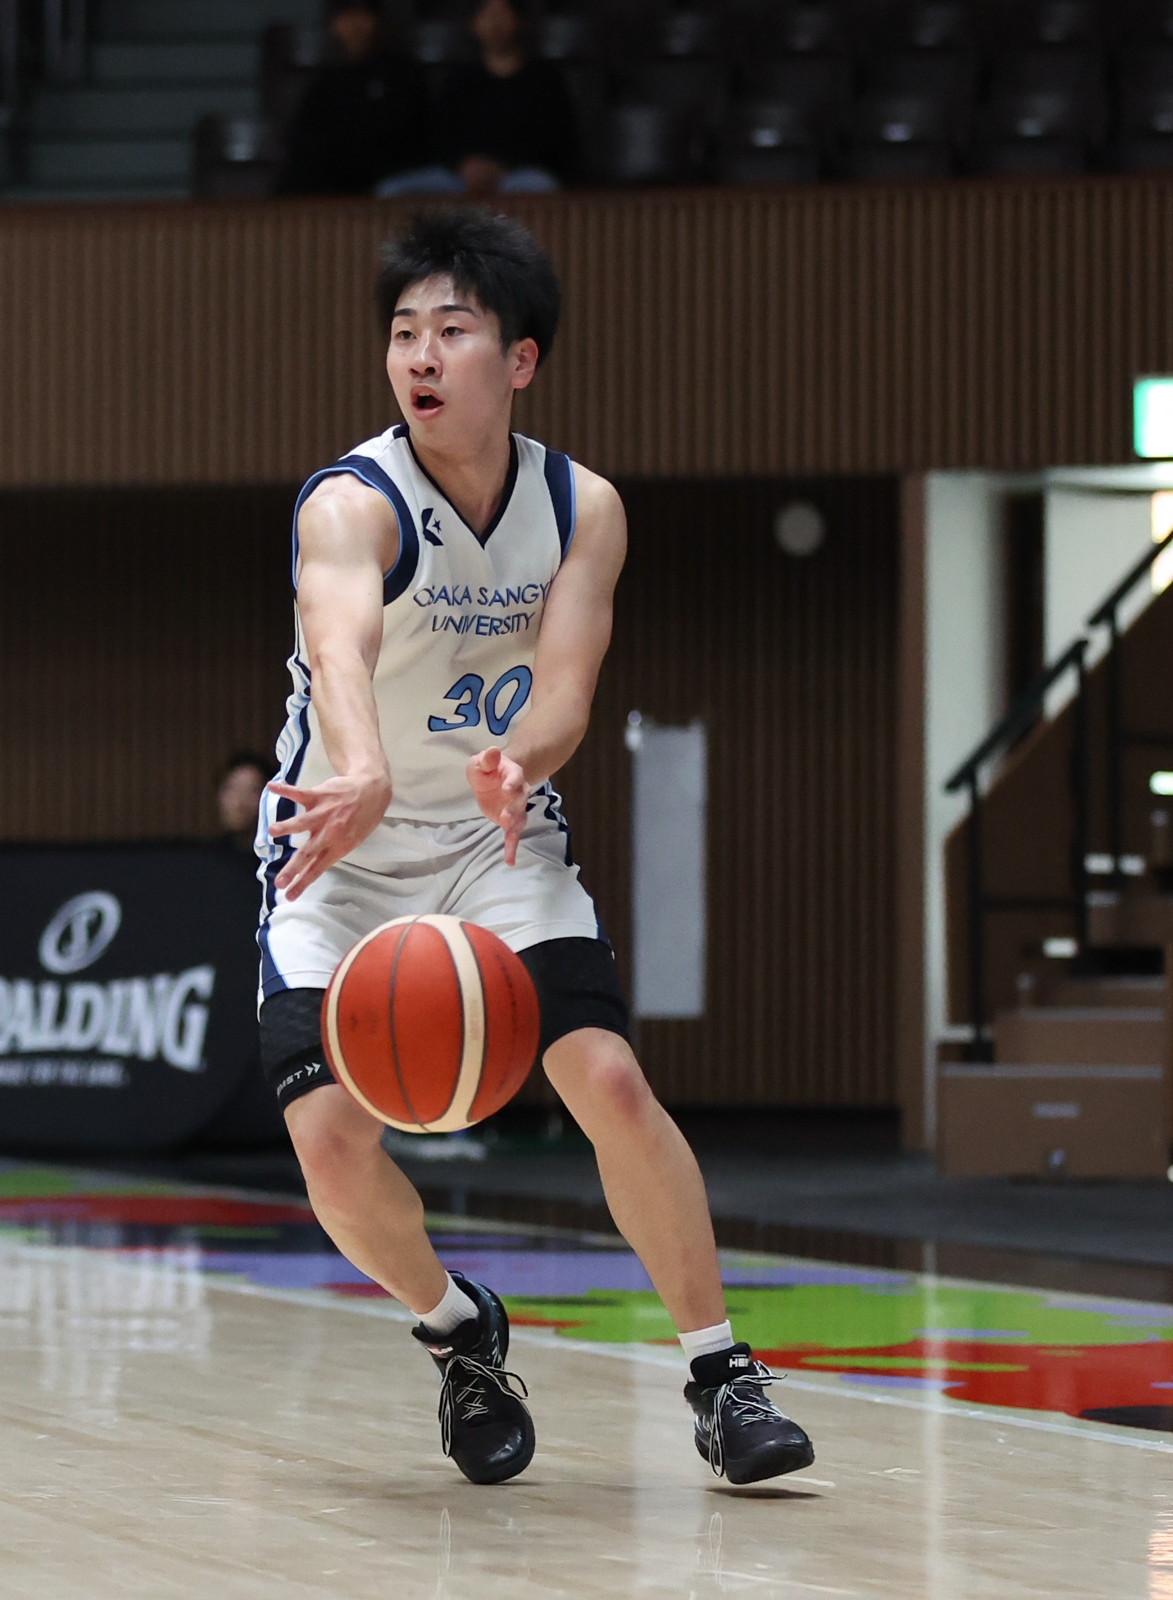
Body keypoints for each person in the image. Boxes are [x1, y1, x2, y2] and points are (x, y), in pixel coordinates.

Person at [255, 210, 815, 1488]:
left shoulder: (582, 507)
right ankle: (459, 1331)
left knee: (606, 1079)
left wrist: (528, 759)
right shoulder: (352, 502)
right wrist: (363, 768)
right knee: (329, 1138)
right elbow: (338, 647)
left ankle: (722, 1375)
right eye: (404, 332)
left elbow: (566, 686)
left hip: (492, 834)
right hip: (339, 844)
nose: (420, 354)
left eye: (451, 330)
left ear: (520, 359)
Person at [379, 0, 576, 197]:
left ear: (519, 20)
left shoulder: (543, 77)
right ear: (473, 23)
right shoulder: (460, 76)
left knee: (542, 184)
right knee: (392, 189)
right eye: (487, 15)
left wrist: (501, 167)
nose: (495, 24)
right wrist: (464, 164)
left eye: (503, 14)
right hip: (459, 175)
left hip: (516, 174)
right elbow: (440, 133)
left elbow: (553, 138)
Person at [276, 0, 426, 196]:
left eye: (362, 14)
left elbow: (403, 144)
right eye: (347, 15)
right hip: (331, 189)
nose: (355, 25)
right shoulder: (324, 84)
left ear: (379, 21)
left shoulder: (402, 75)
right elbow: (302, 146)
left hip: (385, 186)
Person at [218, 751, 275, 856]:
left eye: (252, 791)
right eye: (232, 789)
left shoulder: (280, 858)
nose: (240, 804)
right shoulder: (203, 858)